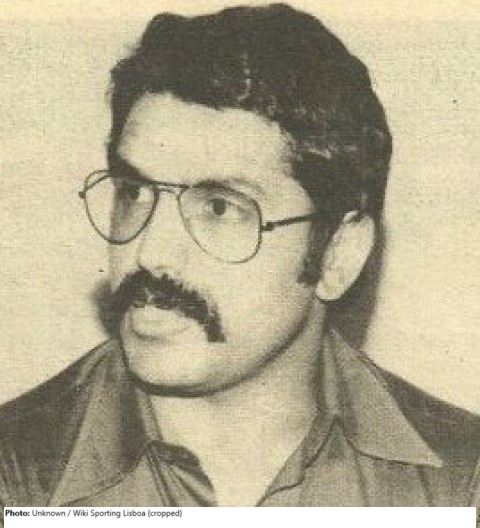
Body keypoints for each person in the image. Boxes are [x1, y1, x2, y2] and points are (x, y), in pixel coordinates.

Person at [0, 3, 479, 511]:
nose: (149, 252)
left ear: (338, 254)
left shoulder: (460, 486)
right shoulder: (18, 476)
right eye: (135, 192)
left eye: (219, 208)